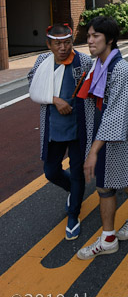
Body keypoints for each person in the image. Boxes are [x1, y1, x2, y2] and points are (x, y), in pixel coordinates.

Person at [76, 16, 128, 260]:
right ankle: (108, 239)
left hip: (124, 136)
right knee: (104, 187)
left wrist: (93, 151)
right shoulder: (95, 65)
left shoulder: (121, 69)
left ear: (111, 39)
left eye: (95, 36)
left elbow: (115, 112)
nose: (90, 41)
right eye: (88, 36)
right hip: (102, 134)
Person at [28, 23, 93, 241]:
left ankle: (73, 214)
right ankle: (73, 192)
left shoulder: (83, 61)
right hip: (52, 125)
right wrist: (54, 99)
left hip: (78, 126)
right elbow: (34, 86)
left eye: (67, 42)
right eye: (58, 44)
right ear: (49, 44)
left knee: (77, 172)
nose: (63, 47)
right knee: (51, 171)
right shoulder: (41, 63)